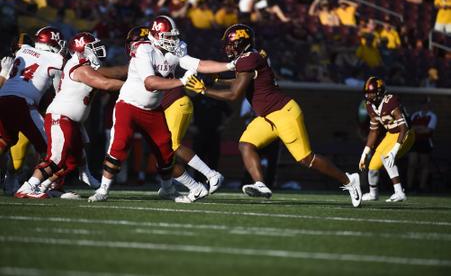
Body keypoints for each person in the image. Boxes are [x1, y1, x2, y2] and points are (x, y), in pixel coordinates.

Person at [185, 24, 362, 207]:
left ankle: (349, 180)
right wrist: (219, 79)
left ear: (243, 43)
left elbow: (234, 94)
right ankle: (260, 184)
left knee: (306, 159)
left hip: (284, 113)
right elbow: (244, 80)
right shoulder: (251, 56)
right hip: (267, 117)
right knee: (246, 145)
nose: (228, 48)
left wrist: (204, 90)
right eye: (227, 44)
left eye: (232, 44)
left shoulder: (248, 59)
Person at [88, 15, 236, 203]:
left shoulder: (176, 49)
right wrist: (181, 81)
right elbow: (150, 83)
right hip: (130, 105)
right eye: (169, 36)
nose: (173, 41)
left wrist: (229, 65)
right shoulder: (144, 50)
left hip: (153, 109)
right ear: (156, 36)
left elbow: (199, 64)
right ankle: (103, 189)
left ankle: (195, 187)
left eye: (174, 36)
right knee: (119, 146)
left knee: (166, 153)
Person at [15, 32, 124, 199]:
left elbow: (109, 74)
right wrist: (134, 86)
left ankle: (45, 186)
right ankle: (27, 187)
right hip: (61, 117)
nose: (97, 49)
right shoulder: (80, 67)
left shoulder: (82, 65)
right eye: (92, 47)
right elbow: (106, 84)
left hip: (70, 120)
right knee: (56, 158)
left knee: (72, 162)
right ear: (82, 50)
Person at [126, 26, 225, 194]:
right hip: (166, 106)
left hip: (175, 102)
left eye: (137, 43)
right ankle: (167, 187)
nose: (135, 46)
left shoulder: (156, 53)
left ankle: (211, 175)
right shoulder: (149, 54)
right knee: (161, 151)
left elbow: (152, 80)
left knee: (172, 146)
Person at [0, 26, 65, 175]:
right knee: (51, 151)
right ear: (53, 43)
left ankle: (12, 181)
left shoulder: (22, 51)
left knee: (4, 142)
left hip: (4, 98)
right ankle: (40, 186)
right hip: (24, 104)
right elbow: (59, 93)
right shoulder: (56, 59)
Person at [359, 77, 415, 202]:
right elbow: (374, 130)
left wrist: (394, 150)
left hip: (406, 133)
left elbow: (404, 127)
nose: (369, 96)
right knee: (373, 165)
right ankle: (373, 193)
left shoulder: (390, 101)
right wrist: (365, 152)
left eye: (372, 93)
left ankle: (399, 192)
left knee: (387, 157)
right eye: (367, 93)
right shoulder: (369, 106)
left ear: (380, 92)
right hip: (391, 134)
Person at [407, 98, 437, 192]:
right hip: (414, 142)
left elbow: (428, 130)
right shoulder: (415, 115)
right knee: (412, 164)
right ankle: (409, 186)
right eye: (423, 104)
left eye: (426, 104)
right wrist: (421, 128)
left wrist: (418, 128)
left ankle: (422, 187)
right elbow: (410, 128)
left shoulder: (432, 116)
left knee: (424, 164)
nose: (424, 106)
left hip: (425, 142)